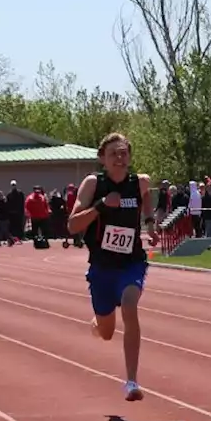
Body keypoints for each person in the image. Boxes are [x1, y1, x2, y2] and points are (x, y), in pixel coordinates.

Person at [67, 133, 158, 401]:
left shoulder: (139, 183)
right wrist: (100, 206)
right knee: (106, 332)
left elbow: (147, 204)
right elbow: (72, 225)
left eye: (123, 153)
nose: (119, 158)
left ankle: (131, 382)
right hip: (102, 266)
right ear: (102, 159)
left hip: (131, 262)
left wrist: (151, 226)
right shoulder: (94, 184)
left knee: (130, 306)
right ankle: (98, 322)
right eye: (113, 154)